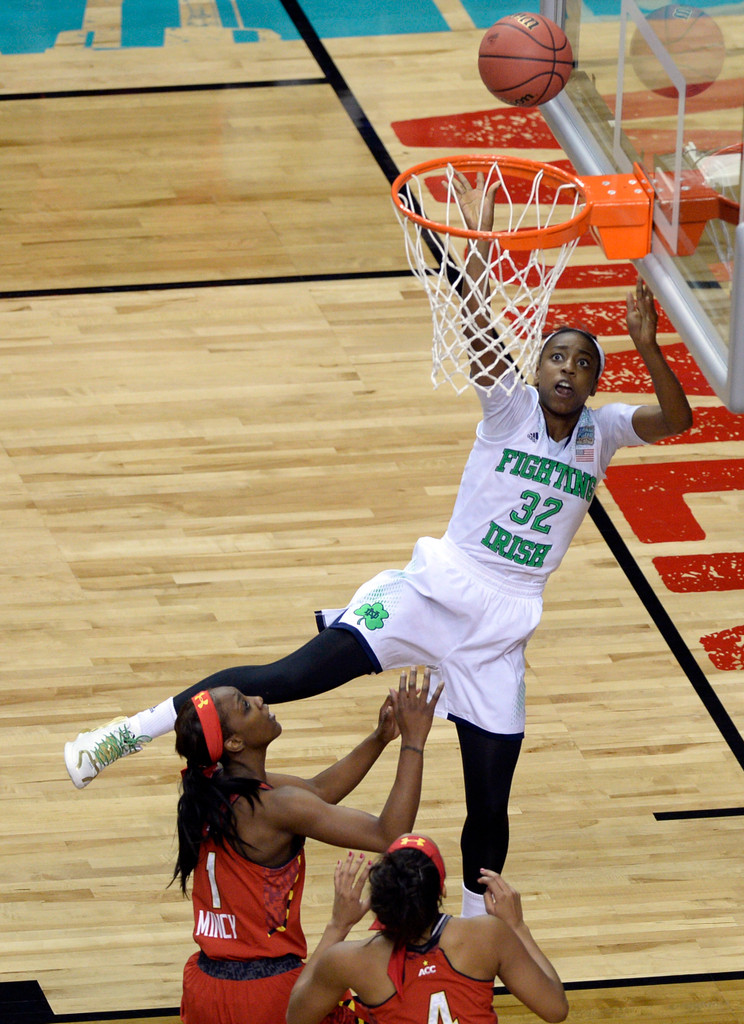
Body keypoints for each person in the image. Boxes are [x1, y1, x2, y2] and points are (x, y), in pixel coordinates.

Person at [64, 174, 693, 917]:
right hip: (435, 590)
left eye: (582, 362)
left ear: (594, 383)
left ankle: (473, 935)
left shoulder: (605, 431)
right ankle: (122, 735)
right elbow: (476, 326)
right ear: (537, 369)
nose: (566, 367)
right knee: (289, 676)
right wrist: (472, 260)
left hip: (503, 624)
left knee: (491, 802)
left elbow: (677, 419)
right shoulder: (508, 408)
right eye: (556, 355)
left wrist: (650, 347)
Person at [171, 667, 442, 1024]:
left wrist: (379, 738)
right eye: (245, 705)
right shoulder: (274, 808)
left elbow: (318, 791)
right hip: (266, 992)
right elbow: (388, 834)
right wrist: (414, 743)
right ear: (234, 743)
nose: (259, 700)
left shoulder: (212, 786)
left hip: (206, 986)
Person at [286, 833, 568, 1024]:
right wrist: (517, 926)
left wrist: (338, 925)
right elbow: (555, 1009)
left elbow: (295, 1016)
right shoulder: (488, 935)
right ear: (441, 889)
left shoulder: (348, 960)